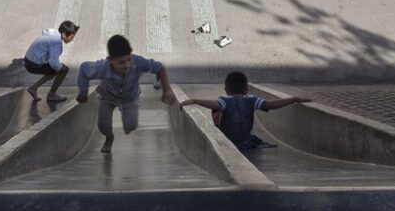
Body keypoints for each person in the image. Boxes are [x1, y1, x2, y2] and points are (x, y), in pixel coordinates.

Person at [76, 34, 171, 153]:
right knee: (103, 126)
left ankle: (128, 124)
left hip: (129, 98)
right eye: (121, 62)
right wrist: (83, 92)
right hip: (107, 97)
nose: (127, 65)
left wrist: (166, 90)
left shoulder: (138, 62)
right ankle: (109, 138)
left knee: (131, 126)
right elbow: (84, 69)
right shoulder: (101, 67)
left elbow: (159, 67)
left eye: (129, 59)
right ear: (110, 60)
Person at [180, 71, 311, 150]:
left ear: (226, 89)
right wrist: (293, 99)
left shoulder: (225, 100)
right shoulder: (251, 99)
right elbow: (270, 105)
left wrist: (195, 100)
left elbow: (215, 105)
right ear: (246, 89)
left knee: (216, 111)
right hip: (245, 141)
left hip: (229, 140)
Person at [23, 21, 79, 102]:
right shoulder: (56, 42)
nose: (72, 39)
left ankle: (33, 88)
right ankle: (51, 95)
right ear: (64, 34)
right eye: (71, 37)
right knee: (64, 70)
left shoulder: (53, 34)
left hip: (28, 60)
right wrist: (61, 68)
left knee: (54, 71)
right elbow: (54, 63)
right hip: (33, 65)